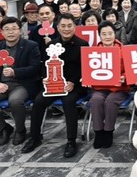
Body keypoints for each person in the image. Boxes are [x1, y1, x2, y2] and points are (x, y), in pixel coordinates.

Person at [22, 13, 89, 157]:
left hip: (73, 85)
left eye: (69, 26)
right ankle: (35, 137)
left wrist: (73, 82)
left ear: (75, 27)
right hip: (53, 84)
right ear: (58, 27)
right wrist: (45, 79)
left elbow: (83, 67)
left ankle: (71, 141)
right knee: (38, 101)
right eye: (63, 26)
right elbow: (44, 65)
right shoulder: (51, 44)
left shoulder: (82, 44)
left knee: (69, 102)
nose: (66, 29)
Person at [0, 17, 42, 146]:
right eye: (6, 29)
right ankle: (3, 128)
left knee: (15, 101)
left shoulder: (30, 46)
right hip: (2, 84)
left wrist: (15, 72)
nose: (10, 32)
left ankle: (20, 130)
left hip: (21, 84)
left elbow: (35, 68)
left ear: (20, 31)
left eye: (14, 29)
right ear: (1, 32)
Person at [88, 21, 130, 149]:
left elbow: (130, 70)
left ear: (115, 34)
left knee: (111, 101)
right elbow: (88, 70)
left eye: (110, 33)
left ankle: (108, 131)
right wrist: (86, 77)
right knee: (96, 100)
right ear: (99, 35)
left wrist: (124, 77)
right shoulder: (93, 51)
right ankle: (98, 132)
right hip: (100, 88)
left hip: (119, 88)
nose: (107, 36)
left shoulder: (124, 50)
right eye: (104, 34)